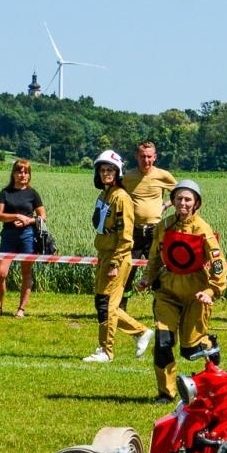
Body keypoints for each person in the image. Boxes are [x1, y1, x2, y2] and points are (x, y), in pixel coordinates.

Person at [141, 179, 225, 402]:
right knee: (163, 341)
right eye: (179, 198)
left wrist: (211, 290)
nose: (183, 203)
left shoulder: (202, 230)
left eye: (188, 199)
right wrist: (147, 279)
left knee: (191, 350)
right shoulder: (164, 226)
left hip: (195, 295)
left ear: (196, 203)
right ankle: (166, 393)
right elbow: (155, 257)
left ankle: (211, 347)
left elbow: (218, 262)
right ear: (173, 201)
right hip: (167, 293)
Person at [84, 150, 151, 363]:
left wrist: (114, 262)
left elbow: (126, 237)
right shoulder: (104, 195)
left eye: (110, 170)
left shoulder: (122, 198)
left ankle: (106, 350)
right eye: (103, 170)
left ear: (117, 172)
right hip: (104, 254)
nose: (106, 174)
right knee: (103, 303)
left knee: (106, 304)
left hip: (117, 258)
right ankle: (140, 332)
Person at [0, 159, 44, 317]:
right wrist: (16, 216)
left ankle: (21, 309)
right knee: (1, 272)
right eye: (19, 171)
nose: (22, 175)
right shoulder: (5, 193)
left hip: (28, 236)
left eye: (25, 172)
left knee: (26, 272)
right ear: (13, 174)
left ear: (29, 175)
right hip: (8, 236)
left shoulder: (33, 194)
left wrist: (29, 220)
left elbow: (43, 217)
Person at [123, 140, 176, 261]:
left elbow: (179, 193)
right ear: (136, 157)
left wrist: (165, 206)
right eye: (142, 156)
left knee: (156, 272)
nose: (146, 160)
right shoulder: (128, 177)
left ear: (155, 157)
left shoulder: (163, 175)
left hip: (155, 230)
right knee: (127, 270)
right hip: (133, 230)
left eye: (149, 156)